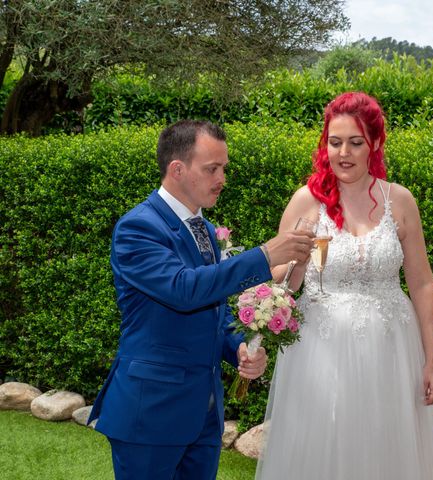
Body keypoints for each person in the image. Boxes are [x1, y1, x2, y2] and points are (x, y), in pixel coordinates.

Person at [88, 120, 314, 480]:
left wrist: (237, 347)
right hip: (151, 413)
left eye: (223, 167)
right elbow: (183, 290)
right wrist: (264, 255)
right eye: (212, 168)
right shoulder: (138, 228)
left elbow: (213, 309)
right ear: (177, 169)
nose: (222, 177)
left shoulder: (206, 231)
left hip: (204, 414)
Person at [255, 92, 433, 479]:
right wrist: (297, 254)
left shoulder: (400, 201)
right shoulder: (305, 202)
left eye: (355, 142)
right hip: (320, 353)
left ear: (375, 144)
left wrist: (431, 360)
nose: (343, 153)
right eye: (335, 142)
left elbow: (422, 283)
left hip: (392, 352)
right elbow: (280, 284)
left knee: (387, 449)